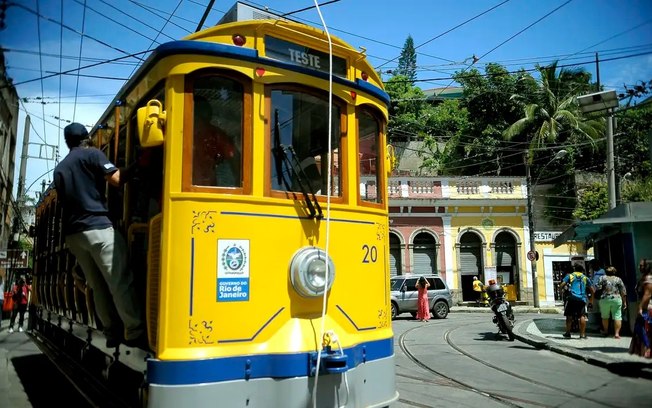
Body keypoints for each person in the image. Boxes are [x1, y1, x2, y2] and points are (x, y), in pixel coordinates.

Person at [53, 122, 146, 349]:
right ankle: (134, 331)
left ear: (68, 142)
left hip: (74, 235)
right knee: (119, 281)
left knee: (97, 286)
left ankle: (111, 331)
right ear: (87, 138)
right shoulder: (92, 154)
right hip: (98, 228)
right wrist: (137, 165)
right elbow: (116, 180)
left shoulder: (60, 168)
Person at [193, 96, 239, 187]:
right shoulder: (216, 134)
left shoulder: (216, 135)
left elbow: (234, 157)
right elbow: (235, 158)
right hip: (208, 190)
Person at [559, 264, 595, 339]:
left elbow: (562, 285)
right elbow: (592, 290)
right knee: (582, 316)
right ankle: (582, 334)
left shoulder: (570, 276)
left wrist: (561, 292)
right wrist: (591, 301)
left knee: (569, 316)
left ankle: (568, 332)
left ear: (575, 270)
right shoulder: (585, 277)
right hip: (581, 299)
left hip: (571, 298)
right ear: (582, 270)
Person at [596, 266, 627, 338]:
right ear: (614, 272)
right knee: (617, 316)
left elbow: (598, 288)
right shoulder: (618, 279)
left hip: (604, 299)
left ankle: (606, 331)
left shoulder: (602, 278)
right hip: (616, 299)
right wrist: (624, 302)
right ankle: (616, 334)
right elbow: (623, 291)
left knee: (605, 316)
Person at [629, 260, 652, 358]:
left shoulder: (648, 278)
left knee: (643, 329)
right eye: (640, 265)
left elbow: (647, 294)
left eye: (642, 265)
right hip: (645, 307)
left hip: (648, 307)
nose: (640, 267)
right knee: (642, 329)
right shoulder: (644, 278)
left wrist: (640, 307)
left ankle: (648, 348)